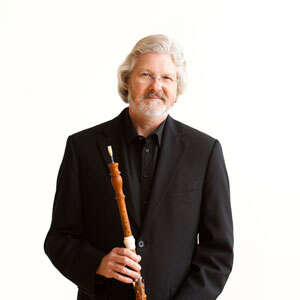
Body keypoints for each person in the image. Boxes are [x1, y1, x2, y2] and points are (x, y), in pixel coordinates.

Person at [44, 34, 234, 300]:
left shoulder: (204, 151)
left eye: (167, 78)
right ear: (127, 81)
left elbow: (218, 252)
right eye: (146, 74)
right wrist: (97, 263)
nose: (156, 86)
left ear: (177, 87)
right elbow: (59, 238)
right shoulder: (83, 147)